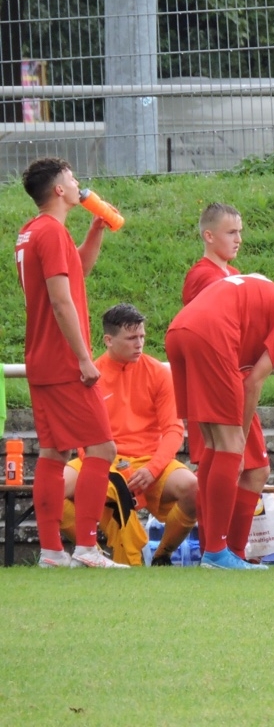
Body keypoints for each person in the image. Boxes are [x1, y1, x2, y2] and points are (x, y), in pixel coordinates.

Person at [16, 157, 126, 569]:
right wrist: (84, 358)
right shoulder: (52, 232)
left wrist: (96, 230)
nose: (79, 184)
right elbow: (61, 300)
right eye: (73, 179)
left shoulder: (31, 232)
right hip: (64, 360)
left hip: (40, 357)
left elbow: (76, 271)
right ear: (60, 190)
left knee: (53, 452)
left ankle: (50, 552)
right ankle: (86, 547)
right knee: (102, 448)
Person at [167, 273, 274, 570]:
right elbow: (253, 382)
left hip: (179, 330)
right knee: (231, 448)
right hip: (211, 335)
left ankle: (216, 552)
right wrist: (240, 439)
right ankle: (218, 553)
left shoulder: (269, 297)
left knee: (215, 448)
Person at [60, 303, 197, 565]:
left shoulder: (158, 372)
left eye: (142, 336)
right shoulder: (92, 374)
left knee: (193, 489)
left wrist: (153, 469)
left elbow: (174, 429)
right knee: (54, 488)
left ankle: (162, 555)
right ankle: (93, 553)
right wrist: (102, 471)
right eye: (132, 338)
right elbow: (80, 435)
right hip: (101, 460)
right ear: (108, 340)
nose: (140, 343)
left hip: (147, 461)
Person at [183, 203, 273, 561]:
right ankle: (222, 551)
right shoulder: (205, 276)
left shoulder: (231, 274)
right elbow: (210, 334)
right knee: (238, 465)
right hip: (222, 382)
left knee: (246, 467)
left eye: (240, 231)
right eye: (230, 232)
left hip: (233, 380)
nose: (239, 238)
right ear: (209, 236)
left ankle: (222, 550)